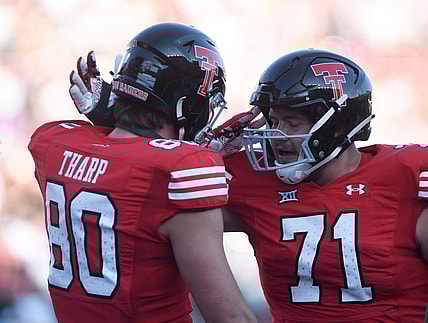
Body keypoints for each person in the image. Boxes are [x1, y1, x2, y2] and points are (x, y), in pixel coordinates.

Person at [69, 47, 428, 322]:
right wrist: (119, 119)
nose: (277, 135)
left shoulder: (405, 176)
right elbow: (147, 191)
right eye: (273, 120)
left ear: (339, 127)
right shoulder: (254, 179)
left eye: (291, 121)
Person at [29, 22, 256, 323]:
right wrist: (197, 151)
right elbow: (230, 317)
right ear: (188, 104)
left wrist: (113, 116)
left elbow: (117, 161)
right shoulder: (181, 169)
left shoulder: (52, 142)